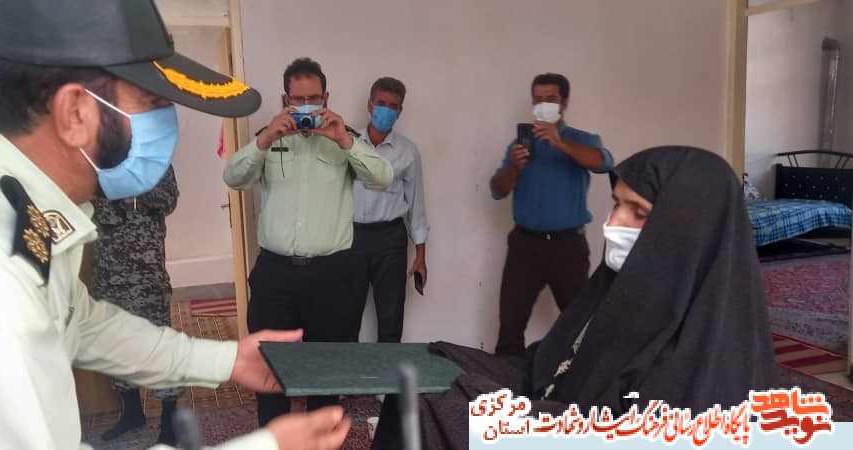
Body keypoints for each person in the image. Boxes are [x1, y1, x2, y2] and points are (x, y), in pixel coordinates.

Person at [0, 1, 351, 449]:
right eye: (153, 101)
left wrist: (222, 361)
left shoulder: (1, 197)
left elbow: (80, 322)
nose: (169, 122)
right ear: (75, 112)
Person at [373, 146, 780, 450]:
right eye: (616, 205)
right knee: (424, 377)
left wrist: (478, 401)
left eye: (637, 213)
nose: (612, 224)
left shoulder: (711, 356)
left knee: (443, 403)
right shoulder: (627, 291)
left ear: (687, 230)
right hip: (567, 414)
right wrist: (461, 367)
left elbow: (615, 433)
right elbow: (554, 368)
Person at [223, 57, 394, 426]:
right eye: (297, 99)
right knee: (270, 370)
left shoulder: (345, 139)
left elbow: (383, 178)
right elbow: (233, 177)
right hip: (276, 274)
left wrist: (345, 141)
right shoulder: (268, 139)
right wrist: (264, 140)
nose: (305, 107)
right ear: (286, 100)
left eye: (313, 98)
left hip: (331, 275)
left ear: (326, 98)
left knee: (326, 374)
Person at [489, 73, 614, 356]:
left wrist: (560, 143)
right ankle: (505, 382)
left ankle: (577, 382)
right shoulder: (520, 143)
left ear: (564, 102)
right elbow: (497, 189)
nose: (543, 104)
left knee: (579, 327)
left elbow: (604, 163)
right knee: (510, 327)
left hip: (568, 247)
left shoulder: (582, 140)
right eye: (538, 99)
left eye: (551, 99)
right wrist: (515, 168)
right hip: (524, 246)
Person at [90, 168, 182, 444]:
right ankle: (132, 412)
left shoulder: (153, 159)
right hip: (108, 269)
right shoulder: (96, 158)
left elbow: (169, 200)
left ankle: (169, 421)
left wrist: (135, 183)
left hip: (145, 272)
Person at [351, 76, 429, 343]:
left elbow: (416, 205)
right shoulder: (347, 144)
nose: (386, 110)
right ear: (369, 105)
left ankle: (390, 372)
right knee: (345, 314)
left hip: (390, 240)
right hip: (350, 238)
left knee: (391, 317)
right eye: (381, 103)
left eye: (393, 106)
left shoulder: (408, 152)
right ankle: (345, 370)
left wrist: (421, 256)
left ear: (400, 111)